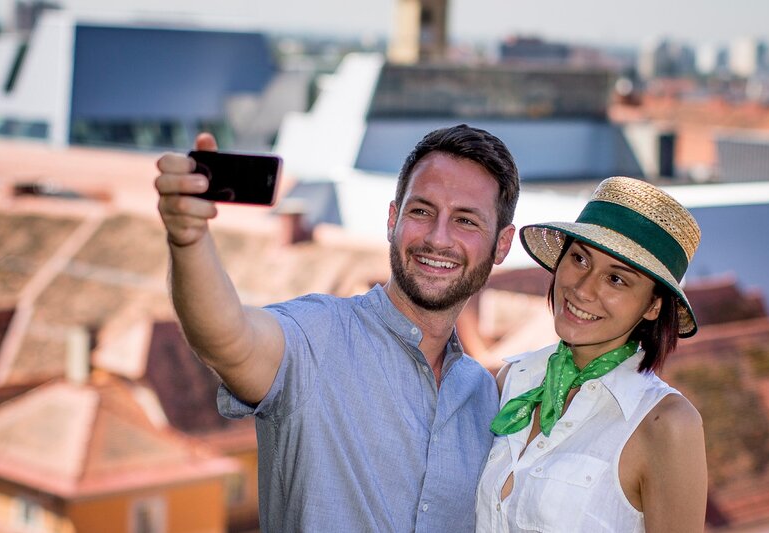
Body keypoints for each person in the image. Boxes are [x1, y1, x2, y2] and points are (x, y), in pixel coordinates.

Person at [154, 124, 520, 532]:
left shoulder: (486, 398)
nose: (437, 238)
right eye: (422, 211)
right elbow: (227, 339)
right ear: (393, 219)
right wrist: (187, 241)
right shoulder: (317, 337)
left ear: (501, 245)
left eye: (466, 221)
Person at [475, 176, 707, 532]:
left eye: (617, 279)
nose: (582, 289)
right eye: (580, 259)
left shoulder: (666, 424)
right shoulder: (512, 380)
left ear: (653, 305)